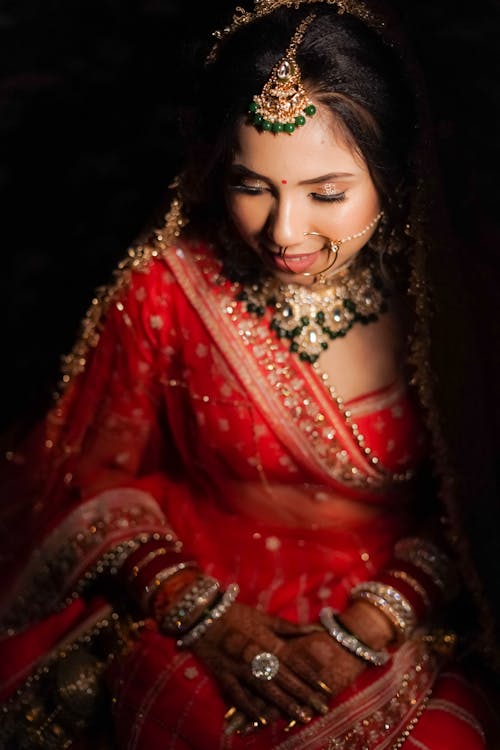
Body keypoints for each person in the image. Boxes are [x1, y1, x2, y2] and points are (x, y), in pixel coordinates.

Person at [0, 0, 499, 747]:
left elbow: (479, 500)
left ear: (395, 177)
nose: (284, 231)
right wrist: (200, 612)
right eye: (251, 186)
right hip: (202, 589)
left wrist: (371, 622)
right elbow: (91, 478)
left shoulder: (447, 307)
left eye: (327, 193)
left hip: (399, 602)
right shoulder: (167, 290)